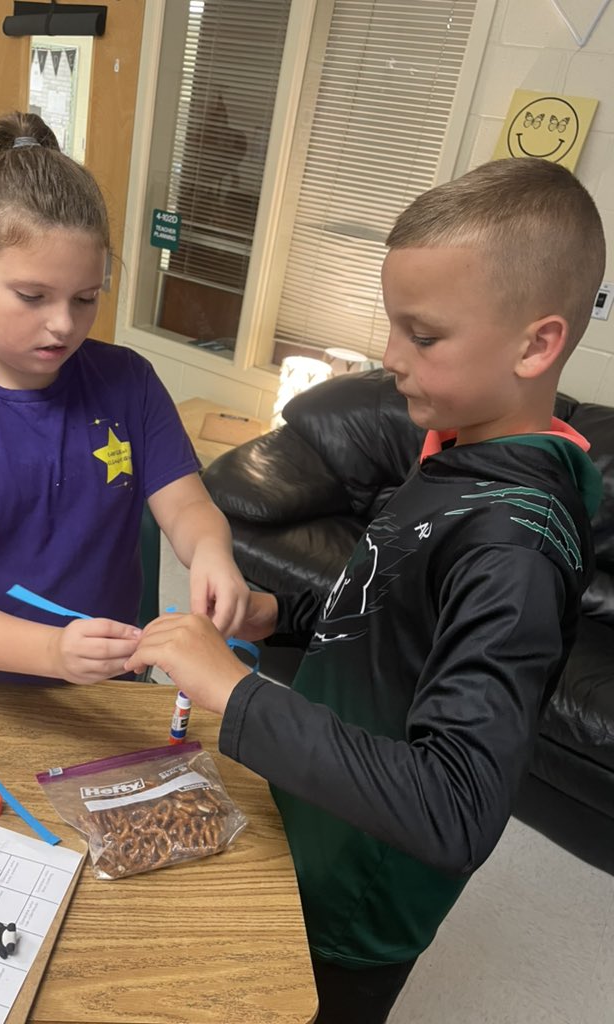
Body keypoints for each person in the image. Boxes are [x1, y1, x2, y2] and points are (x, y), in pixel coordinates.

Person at [125, 157, 606, 1022]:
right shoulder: (454, 450)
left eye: (422, 337)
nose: (390, 358)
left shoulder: (517, 549)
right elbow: (389, 602)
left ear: (537, 344)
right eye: (393, 327)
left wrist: (236, 694)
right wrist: (287, 610)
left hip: (357, 895)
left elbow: (455, 807)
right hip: (314, 813)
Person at [0, 112, 248, 686]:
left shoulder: (128, 382)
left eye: (85, 298)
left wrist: (211, 552)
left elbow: (185, 506)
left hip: (106, 688)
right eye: (32, 296)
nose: (63, 325)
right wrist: (52, 651)